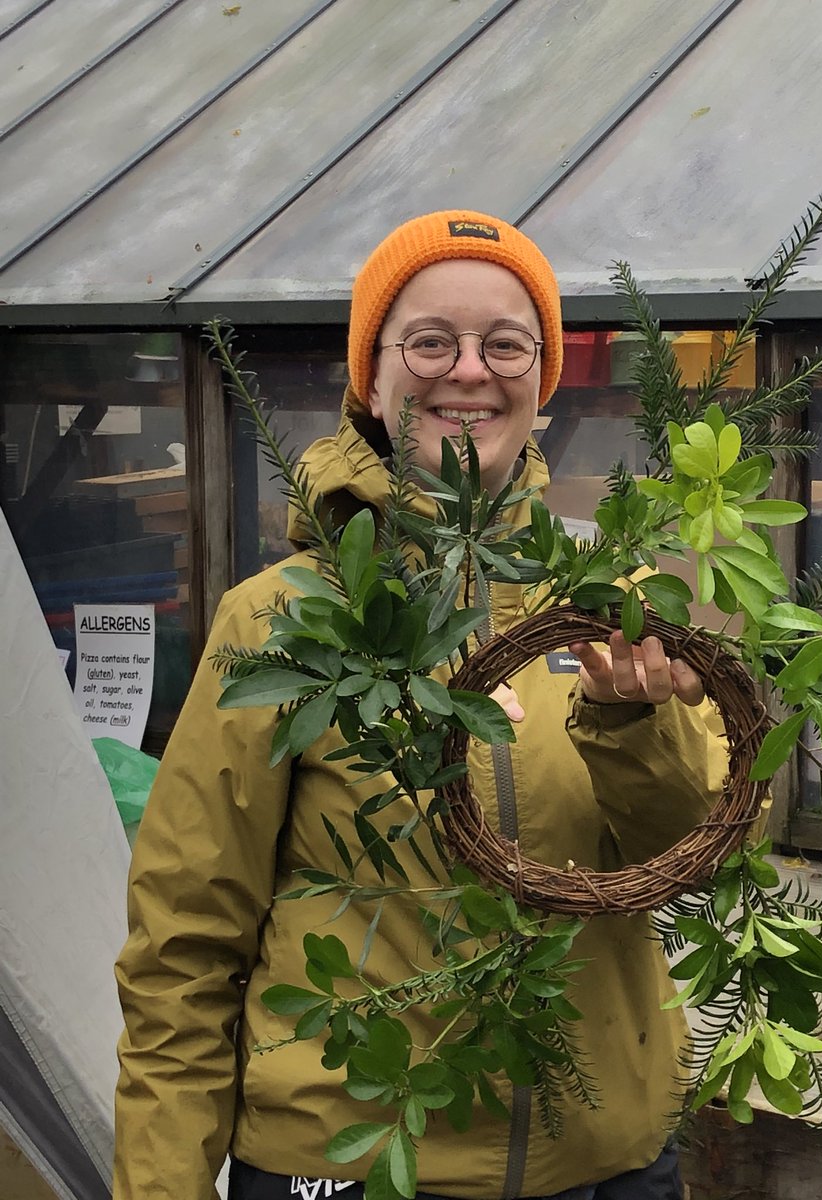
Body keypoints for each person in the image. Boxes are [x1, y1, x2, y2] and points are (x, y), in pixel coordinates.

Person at [114, 211, 728, 1200]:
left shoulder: (616, 596)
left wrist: (628, 724)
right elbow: (186, 944)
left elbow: (695, 856)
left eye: (505, 343)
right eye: (430, 341)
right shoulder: (278, 622)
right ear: (373, 374)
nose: (469, 372)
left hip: (602, 1164)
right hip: (352, 1165)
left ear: (545, 376)